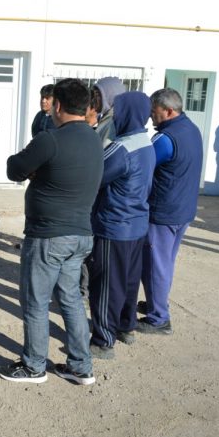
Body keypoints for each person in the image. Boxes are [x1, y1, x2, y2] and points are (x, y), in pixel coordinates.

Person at [0, 79, 103, 386]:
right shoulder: (94, 139)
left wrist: (35, 170)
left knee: (35, 302)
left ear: (57, 105)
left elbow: (13, 169)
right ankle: (80, 366)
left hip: (49, 237)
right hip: (81, 236)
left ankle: (33, 366)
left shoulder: (50, 139)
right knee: (70, 299)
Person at [88, 92, 155, 359]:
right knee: (128, 281)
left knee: (106, 285)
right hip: (137, 224)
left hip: (114, 225)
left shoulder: (121, 148)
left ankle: (104, 340)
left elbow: (95, 177)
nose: (113, 117)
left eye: (117, 111)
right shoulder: (146, 142)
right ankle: (126, 327)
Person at [136, 88, 203, 336]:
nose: (151, 118)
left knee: (156, 266)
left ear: (168, 111)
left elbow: (143, 164)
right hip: (183, 210)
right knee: (165, 262)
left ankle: (159, 319)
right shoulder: (191, 128)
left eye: (154, 112)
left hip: (164, 212)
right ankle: (157, 303)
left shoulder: (165, 139)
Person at [92, 77, 127, 148]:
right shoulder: (106, 117)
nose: (94, 98)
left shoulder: (113, 123)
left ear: (111, 96)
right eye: (94, 93)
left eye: (98, 94)